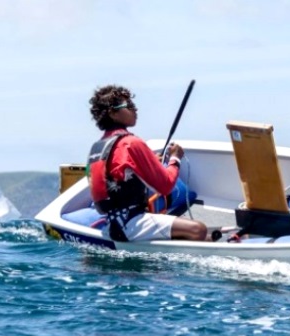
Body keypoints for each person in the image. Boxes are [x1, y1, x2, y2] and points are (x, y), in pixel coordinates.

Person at [86, 84, 207, 242]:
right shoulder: (131, 143)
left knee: (205, 236)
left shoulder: (98, 147)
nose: (135, 110)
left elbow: (119, 173)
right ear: (113, 113)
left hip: (112, 224)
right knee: (198, 229)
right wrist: (175, 158)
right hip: (131, 223)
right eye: (128, 106)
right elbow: (166, 186)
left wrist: (151, 162)